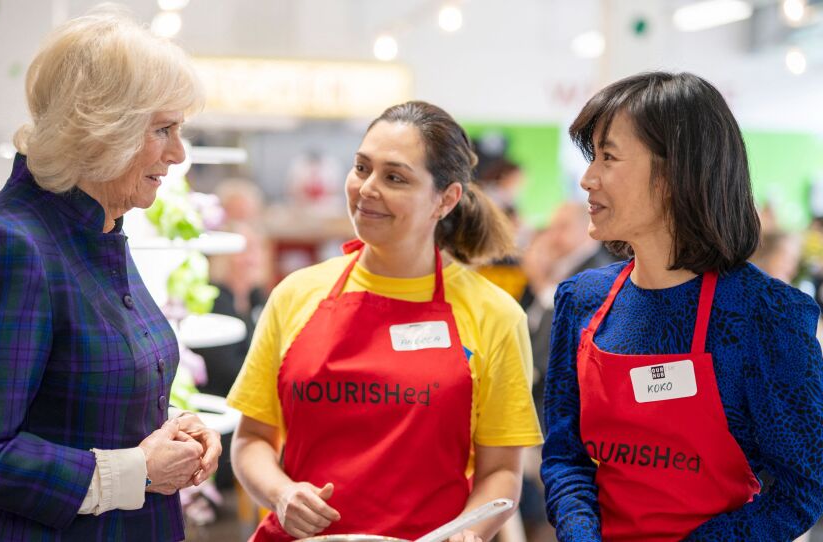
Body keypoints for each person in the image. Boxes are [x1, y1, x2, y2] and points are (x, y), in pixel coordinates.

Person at [0, 7, 222, 540]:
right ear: (101, 129)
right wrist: (137, 470)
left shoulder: (94, 226)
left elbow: (76, 395)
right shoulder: (14, 245)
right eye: (163, 128)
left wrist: (172, 430)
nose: (178, 152)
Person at [228, 101, 543, 541]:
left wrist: (469, 532)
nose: (367, 188)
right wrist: (282, 493)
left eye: (395, 177)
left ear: (446, 198)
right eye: (361, 168)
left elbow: (502, 473)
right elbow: (251, 441)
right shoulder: (295, 295)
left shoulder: (493, 314)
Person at [541, 71, 823, 541]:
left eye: (608, 157)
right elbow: (565, 455)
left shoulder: (765, 317)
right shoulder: (582, 301)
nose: (587, 179)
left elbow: (801, 490)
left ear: (674, 174)